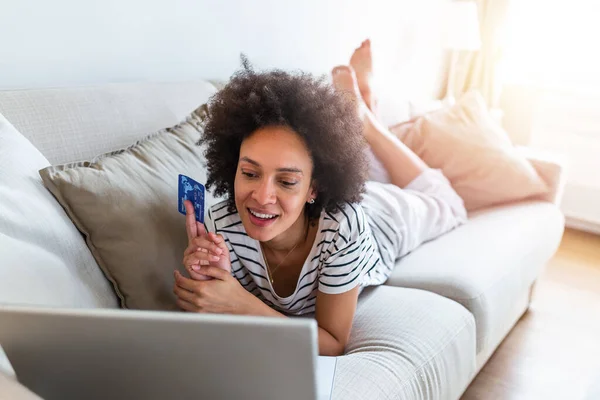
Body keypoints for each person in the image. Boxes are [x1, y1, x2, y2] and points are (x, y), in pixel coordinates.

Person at [172, 40, 467, 357]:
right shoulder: (220, 226)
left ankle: (365, 120)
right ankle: (357, 120)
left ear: (315, 186)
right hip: (321, 205)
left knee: (446, 201)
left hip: (380, 222)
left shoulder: (343, 227)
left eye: (286, 181)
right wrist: (214, 278)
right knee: (370, 180)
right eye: (250, 173)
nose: (261, 197)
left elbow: (333, 343)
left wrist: (240, 303)